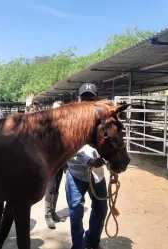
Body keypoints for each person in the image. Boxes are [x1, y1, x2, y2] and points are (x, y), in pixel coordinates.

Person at [65, 83, 108, 249]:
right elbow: (68, 145)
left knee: (101, 207)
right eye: (85, 98)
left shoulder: (103, 120)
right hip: (75, 173)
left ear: (96, 100)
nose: (87, 102)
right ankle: (78, 246)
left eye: (91, 99)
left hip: (97, 173)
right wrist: (87, 160)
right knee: (76, 211)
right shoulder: (70, 120)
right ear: (79, 99)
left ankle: (92, 240)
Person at [44, 101, 67, 229]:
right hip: (51, 162)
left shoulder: (65, 125)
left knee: (57, 187)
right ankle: (47, 215)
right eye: (55, 109)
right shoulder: (48, 125)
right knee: (51, 187)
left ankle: (53, 212)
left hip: (61, 161)